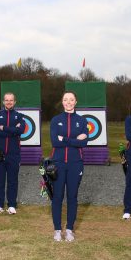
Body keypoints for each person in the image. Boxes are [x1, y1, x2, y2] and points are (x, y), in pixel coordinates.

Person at [50, 91, 88, 242]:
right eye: (65, 99)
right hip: (58, 164)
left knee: (72, 197)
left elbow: (84, 142)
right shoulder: (55, 120)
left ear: (76, 102)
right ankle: (58, 230)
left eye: (71, 100)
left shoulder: (82, 121)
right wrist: (74, 139)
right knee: (57, 197)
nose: (68, 102)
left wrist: (64, 138)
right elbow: (55, 142)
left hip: (75, 164)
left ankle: (70, 229)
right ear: (62, 102)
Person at [0, 92, 26, 215]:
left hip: (14, 154)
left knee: (13, 180)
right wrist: (12, 130)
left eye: (11, 100)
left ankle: (12, 205)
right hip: (0, 153)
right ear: (3, 102)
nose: (9, 102)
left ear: (14, 102)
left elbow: (20, 130)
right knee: (0, 180)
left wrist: (4, 128)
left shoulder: (20, 116)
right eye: (6, 100)